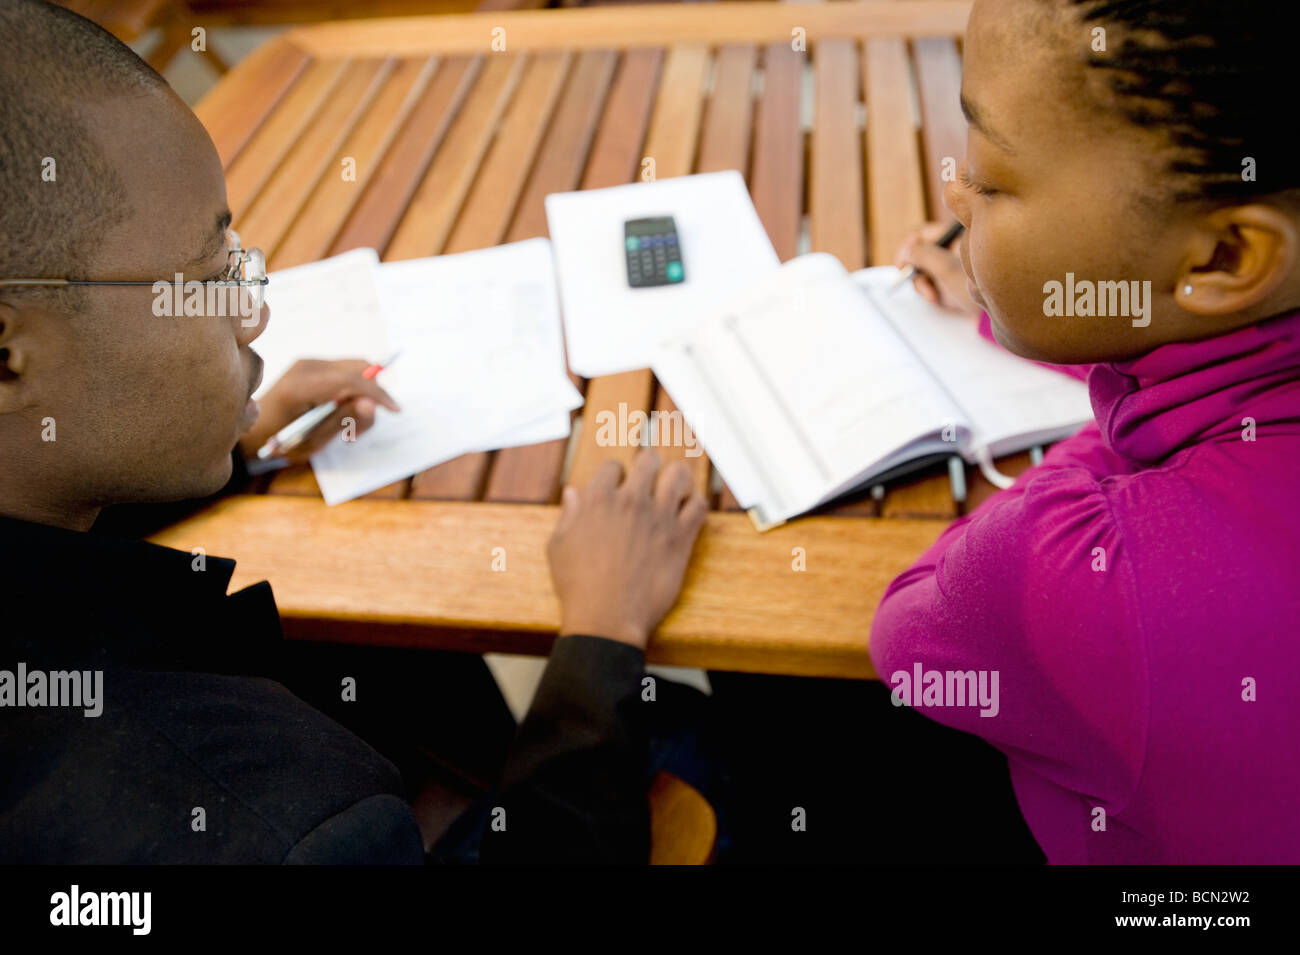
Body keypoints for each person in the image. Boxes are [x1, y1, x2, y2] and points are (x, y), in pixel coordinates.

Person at [0, 0, 706, 864]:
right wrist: (602, 634)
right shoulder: (278, 823)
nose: (253, 311)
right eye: (207, 276)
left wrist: (233, 449)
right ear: (8, 353)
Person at [876, 0, 1300, 863]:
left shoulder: (1081, 574)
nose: (955, 192)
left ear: (1222, 258)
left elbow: (908, 640)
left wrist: (1095, 386)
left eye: (992, 180)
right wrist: (1085, 323)